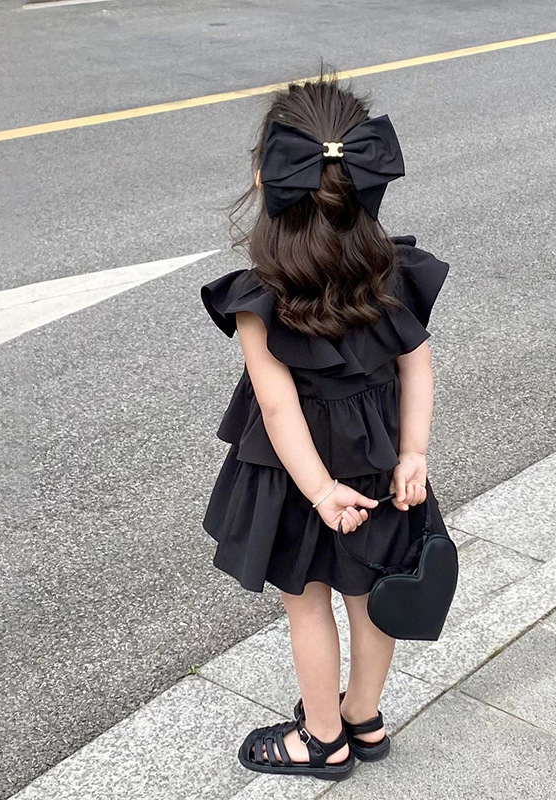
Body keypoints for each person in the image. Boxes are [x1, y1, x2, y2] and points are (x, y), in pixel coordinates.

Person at [200, 67, 450, 782]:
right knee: (372, 592)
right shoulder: (392, 270)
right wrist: (413, 454)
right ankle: (364, 717)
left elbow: (278, 406)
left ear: (266, 176)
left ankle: (323, 739)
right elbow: (417, 368)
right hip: (380, 456)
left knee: (307, 603)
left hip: (294, 473)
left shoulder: (260, 295)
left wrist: (317, 491)